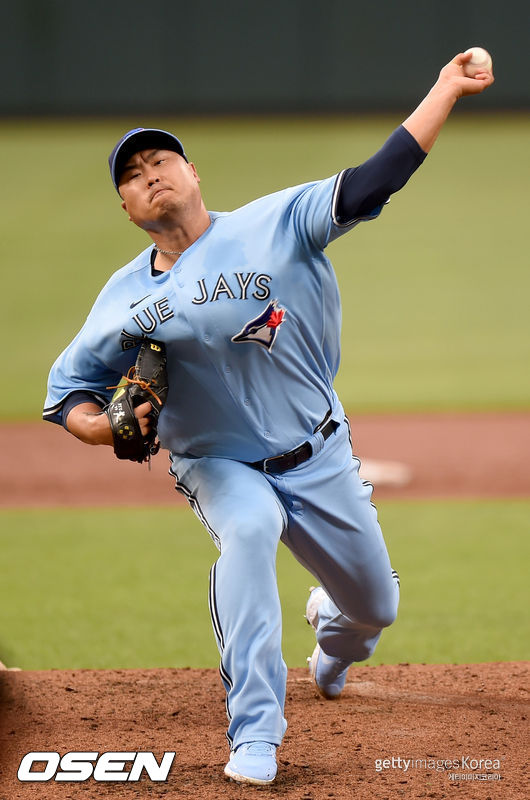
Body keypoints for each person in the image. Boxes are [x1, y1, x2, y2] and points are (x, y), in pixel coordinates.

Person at [43, 52, 493, 785]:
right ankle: (256, 733)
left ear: (193, 174)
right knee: (248, 531)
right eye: (132, 174)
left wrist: (444, 87)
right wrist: (99, 427)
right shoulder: (120, 300)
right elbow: (69, 393)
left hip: (318, 453)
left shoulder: (278, 222)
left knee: (375, 607)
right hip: (216, 464)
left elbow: (379, 176)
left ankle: (335, 638)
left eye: (161, 160)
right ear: (126, 208)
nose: (149, 173)